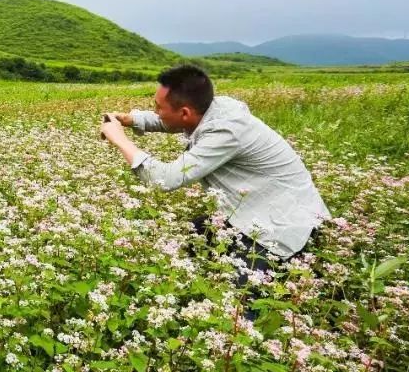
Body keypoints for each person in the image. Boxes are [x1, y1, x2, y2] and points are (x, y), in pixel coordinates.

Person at [99, 64, 330, 287]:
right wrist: (132, 119)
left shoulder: (225, 131)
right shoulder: (213, 108)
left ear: (185, 112)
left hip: (282, 228)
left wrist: (120, 139)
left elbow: (165, 179)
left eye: (158, 107)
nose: (156, 112)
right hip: (259, 210)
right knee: (194, 237)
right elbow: (174, 119)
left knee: (241, 303)